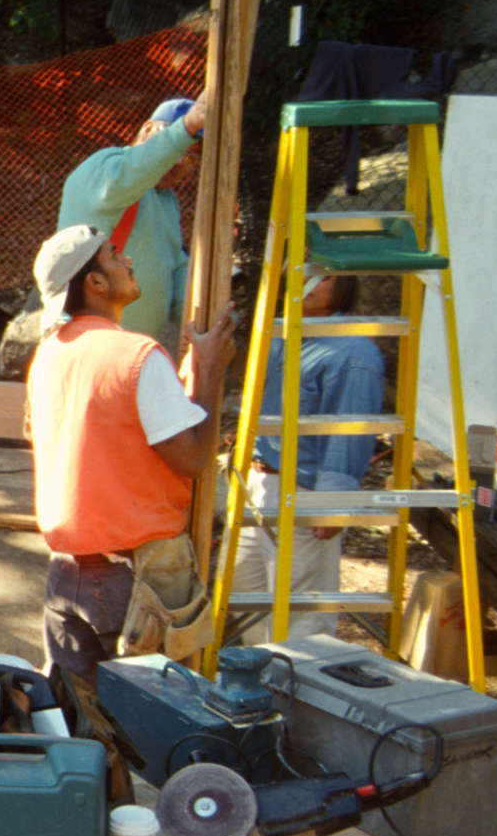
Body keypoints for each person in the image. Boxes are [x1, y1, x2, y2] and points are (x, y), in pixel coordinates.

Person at [26, 222, 236, 684]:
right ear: (95, 282)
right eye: (114, 254)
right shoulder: (137, 355)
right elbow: (193, 460)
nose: (128, 260)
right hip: (136, 576)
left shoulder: (49, 357)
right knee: (152, 716)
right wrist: (209, 372)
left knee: (72, 712)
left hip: (68, 572)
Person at [232, 271, 386, 642]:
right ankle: (258, 676)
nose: (309, 280)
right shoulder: (281, 333)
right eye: (304, 269)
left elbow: (351, 428)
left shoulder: (354, 351)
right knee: (244, 595)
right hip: (259, 482)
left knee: (300, 615)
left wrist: (332, 501)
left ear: (344, 285)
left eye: (324, 275)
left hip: (304, 491)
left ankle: (296, 680)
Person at [57, 94, 210, 346]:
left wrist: (205, 324)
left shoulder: (166, 201)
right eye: (178, 145)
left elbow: (176, 270)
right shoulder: (106, 167)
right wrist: (188, 126)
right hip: (87, 342)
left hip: (127, 348)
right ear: (147, 129)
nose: (180, 160)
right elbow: (134, 171)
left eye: (192, 156)